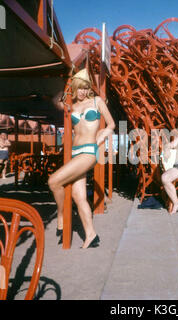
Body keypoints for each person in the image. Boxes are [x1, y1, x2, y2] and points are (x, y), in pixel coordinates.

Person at [48, 69, 115, 249]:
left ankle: (61, 216)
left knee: (53, 181)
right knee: (79, 197)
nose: (84, 92)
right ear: (75, 88)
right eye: (80, 88)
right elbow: (55, 101)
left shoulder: (97, 101)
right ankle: (91, 235)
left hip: (89, 151)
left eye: (86, 88)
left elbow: (112, 124)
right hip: (76, 152)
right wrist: (66, 88)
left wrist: (100, 139)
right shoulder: (72, 106)